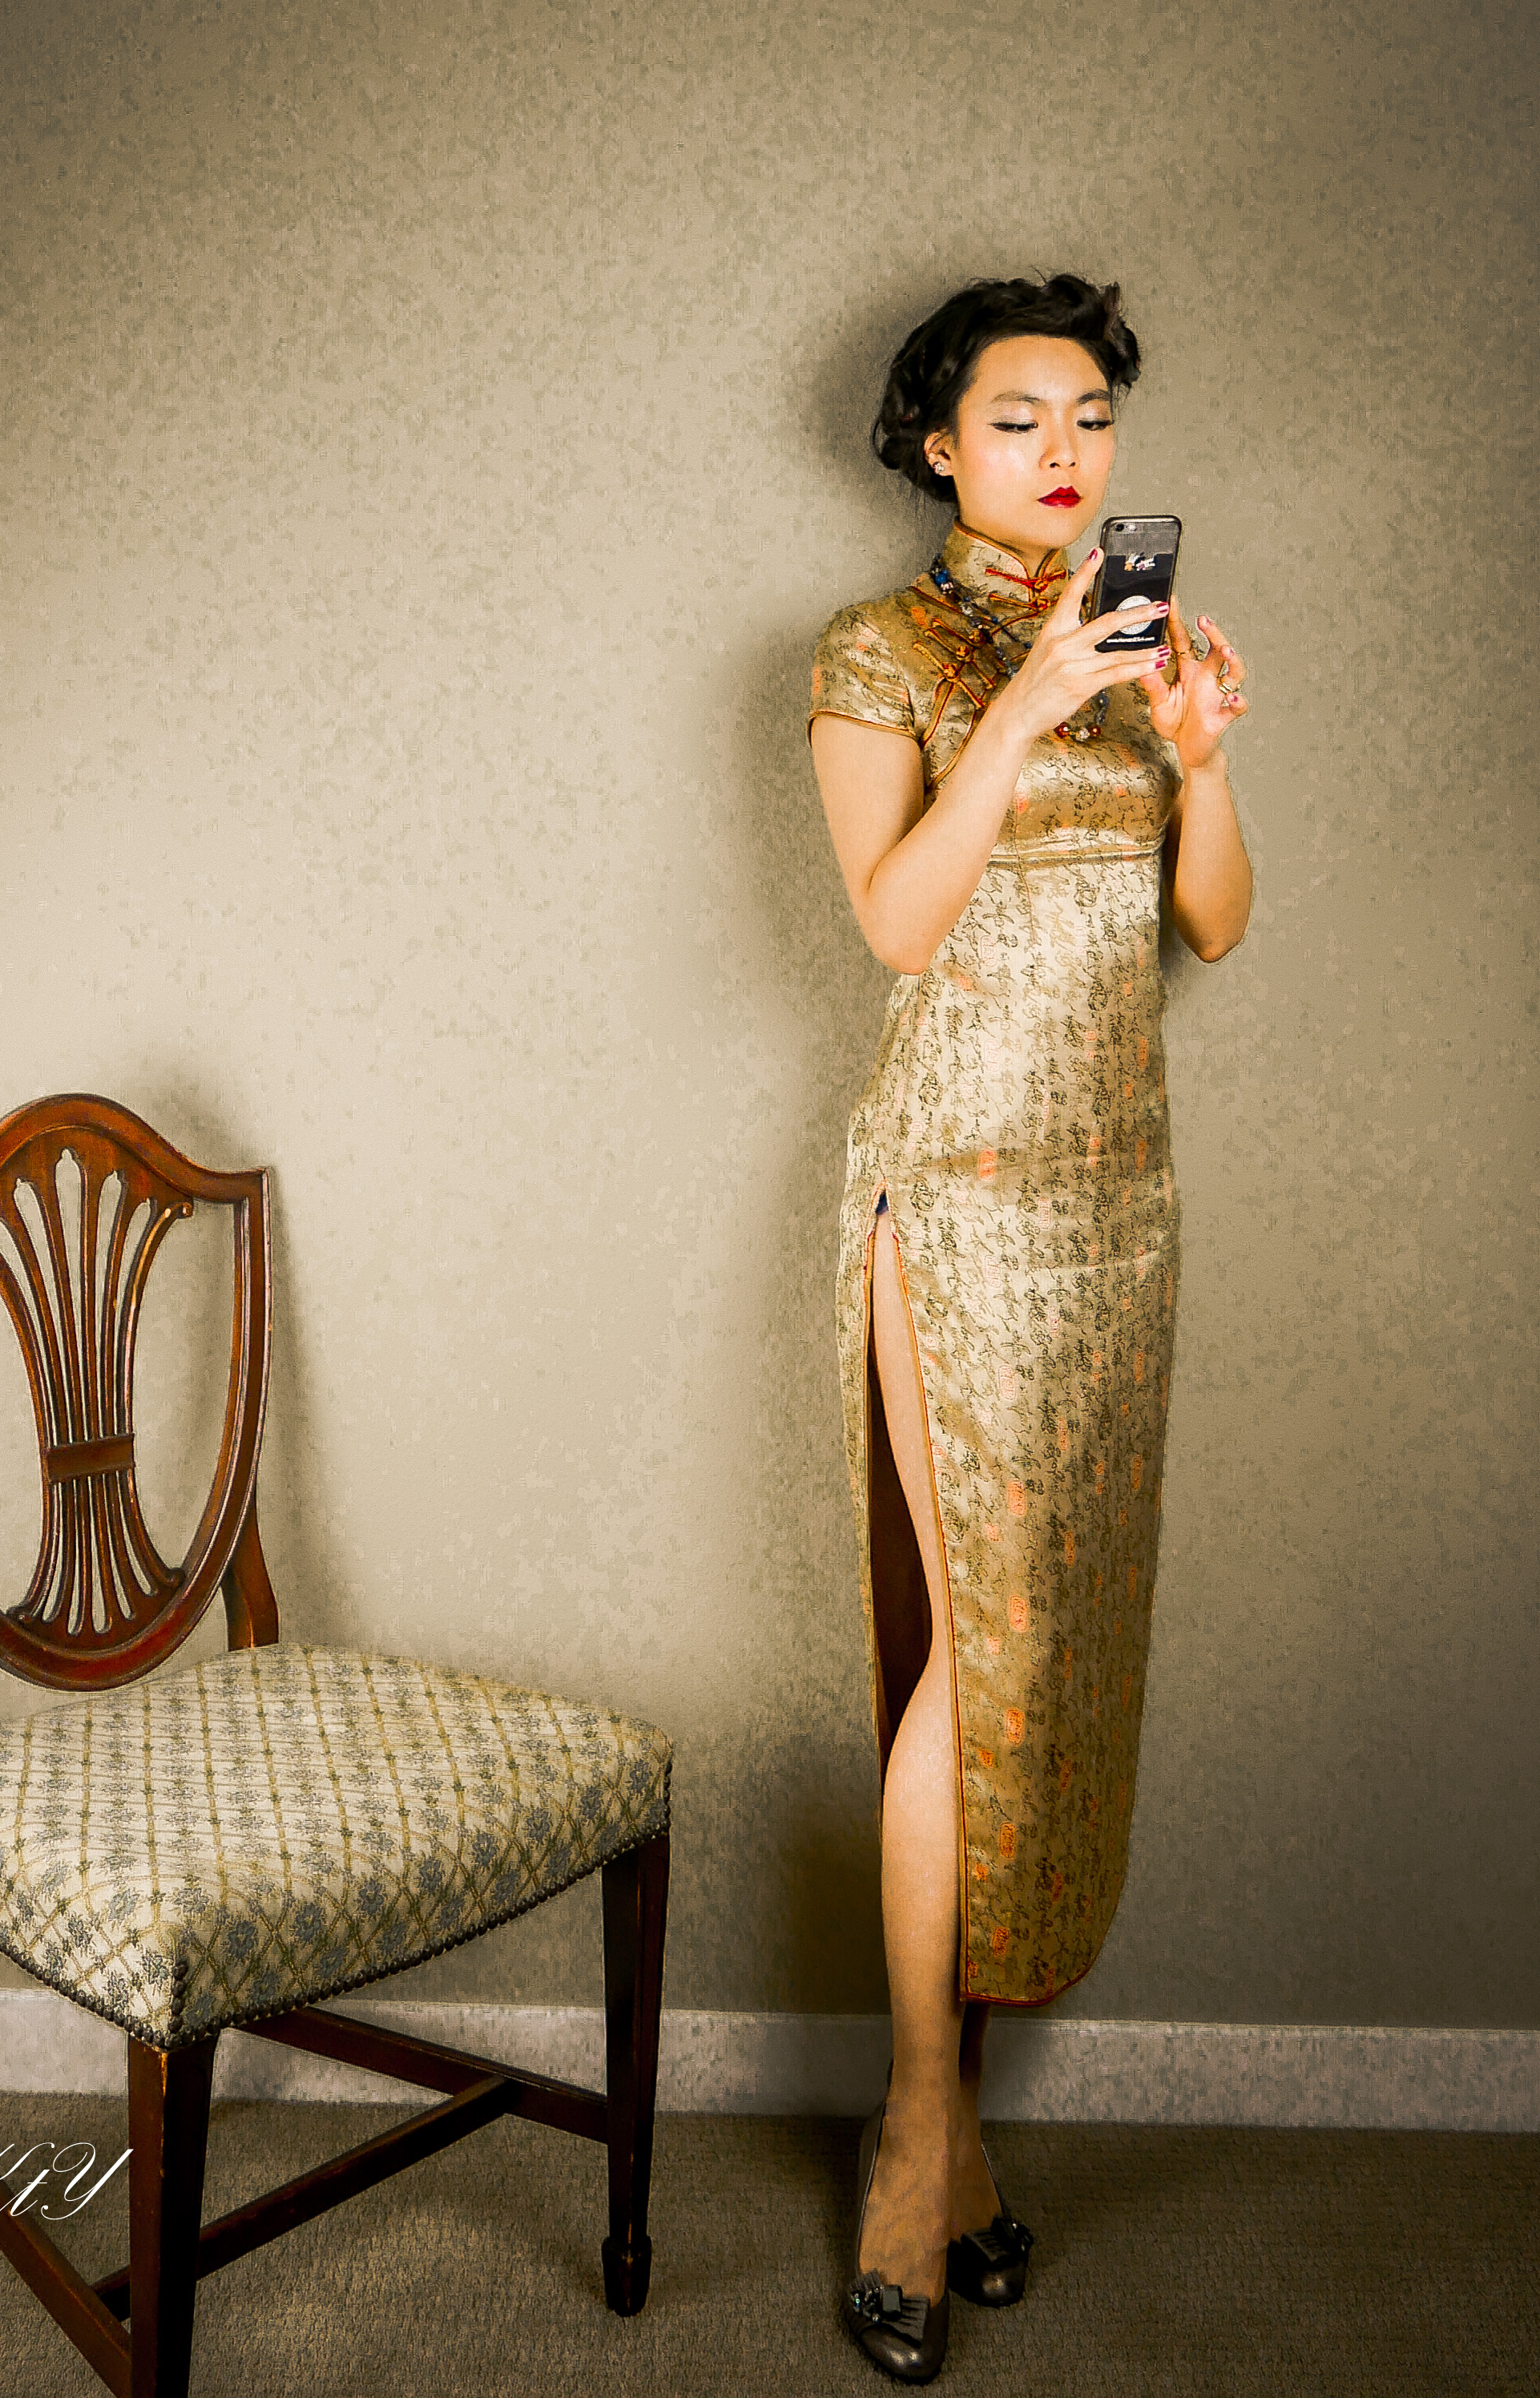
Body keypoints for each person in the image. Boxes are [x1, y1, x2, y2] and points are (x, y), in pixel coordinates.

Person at [808, 274, 1252, 2384]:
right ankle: (919, 2126)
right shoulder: (878, 650)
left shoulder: (1143, 649)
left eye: (1091, 419)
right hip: (961, 1198)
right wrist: (1022, 705)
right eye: (1018, 418)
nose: (1065, 453)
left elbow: (1209, 922)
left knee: (1058, 1662)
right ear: (939, 445)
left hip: (1119, 1204)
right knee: (968, 1661)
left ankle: (961, 2127)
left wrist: (1195, 758)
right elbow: (897, 923)